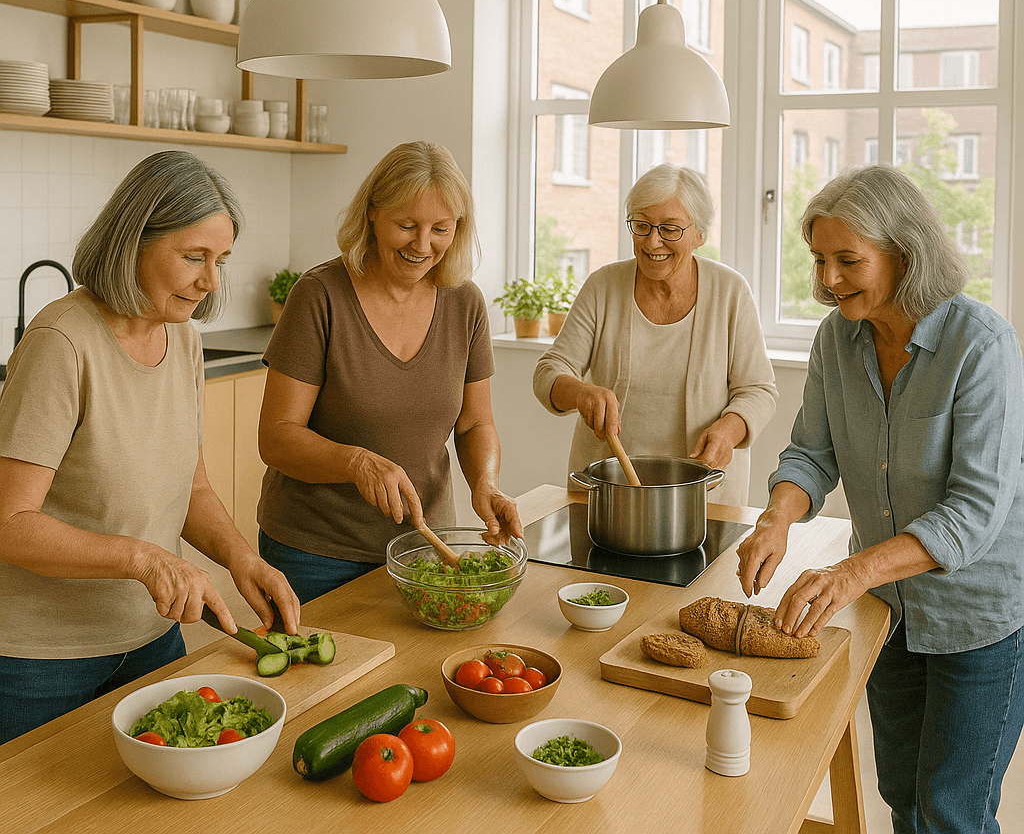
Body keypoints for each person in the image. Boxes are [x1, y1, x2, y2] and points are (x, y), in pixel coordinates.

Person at [736, 164, 1024, 834]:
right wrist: (776, 518)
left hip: (978, 617)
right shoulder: (836, 339)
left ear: (905, 253)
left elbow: (974, 512)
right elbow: (812, 453)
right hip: (889, 611)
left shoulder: (981, 344)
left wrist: (851, 572)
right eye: (819, 260)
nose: (828, 280)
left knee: (951, 812)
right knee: (901, 793)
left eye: (848, 260)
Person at [0, 150, 300, 745]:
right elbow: (10, 523)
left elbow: (192, 489)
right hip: (41, 663)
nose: (211, 282)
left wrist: (242, 559)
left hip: (153, 640)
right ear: (133, 240)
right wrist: (144, 559)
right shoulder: (62, 341)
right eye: (194, 257)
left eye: (220, 261)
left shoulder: (183, 339)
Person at [256, 140, 523, 603]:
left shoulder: (465, 302)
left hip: (426, 548)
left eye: (440, 229)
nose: (423, 245)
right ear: (373, 214)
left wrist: (486, 484)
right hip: (315, 554)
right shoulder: (319, 296)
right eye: (407, 225)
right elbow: (276, 437)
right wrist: (355, 463)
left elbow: (475, 423)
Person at [533, 162, 778, 505]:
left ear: (699, 234)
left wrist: (731, 427)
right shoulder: (603, 286)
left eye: (669, 229)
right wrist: (581, 392)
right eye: (642, 225)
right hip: (609, 494)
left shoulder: (730, 292)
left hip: (705, 496)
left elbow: (759, 390)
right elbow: (549, 372)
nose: (652, 241)